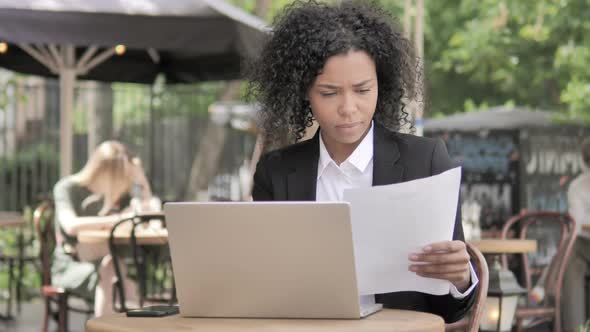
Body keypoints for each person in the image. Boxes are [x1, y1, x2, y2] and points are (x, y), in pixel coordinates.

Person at [247, 0, 477, 323]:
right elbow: (265, 286)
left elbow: (452, 311)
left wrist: (460, 279)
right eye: (329, 93)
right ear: (304, 93)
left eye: (362, 89)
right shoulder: (276, 172)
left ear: (381, 86)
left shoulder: (424, 161)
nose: (348, 107)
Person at [52, 140, 155, 317]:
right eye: (122, 176)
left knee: (117, 273)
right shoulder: (66, 188)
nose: (125, 182)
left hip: (110, 261)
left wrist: (140, 177)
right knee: (117, 277)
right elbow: (70, 225)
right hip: (72, 264)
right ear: (105, 171)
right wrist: (116, 219)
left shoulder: (112, 194)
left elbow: (146, 212)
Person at [562, 137, 590, 332]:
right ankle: (575, 328)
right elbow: (577, 225)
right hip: (584, 244)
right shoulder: (579, 186)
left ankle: (542, 287)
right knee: (570, 253)